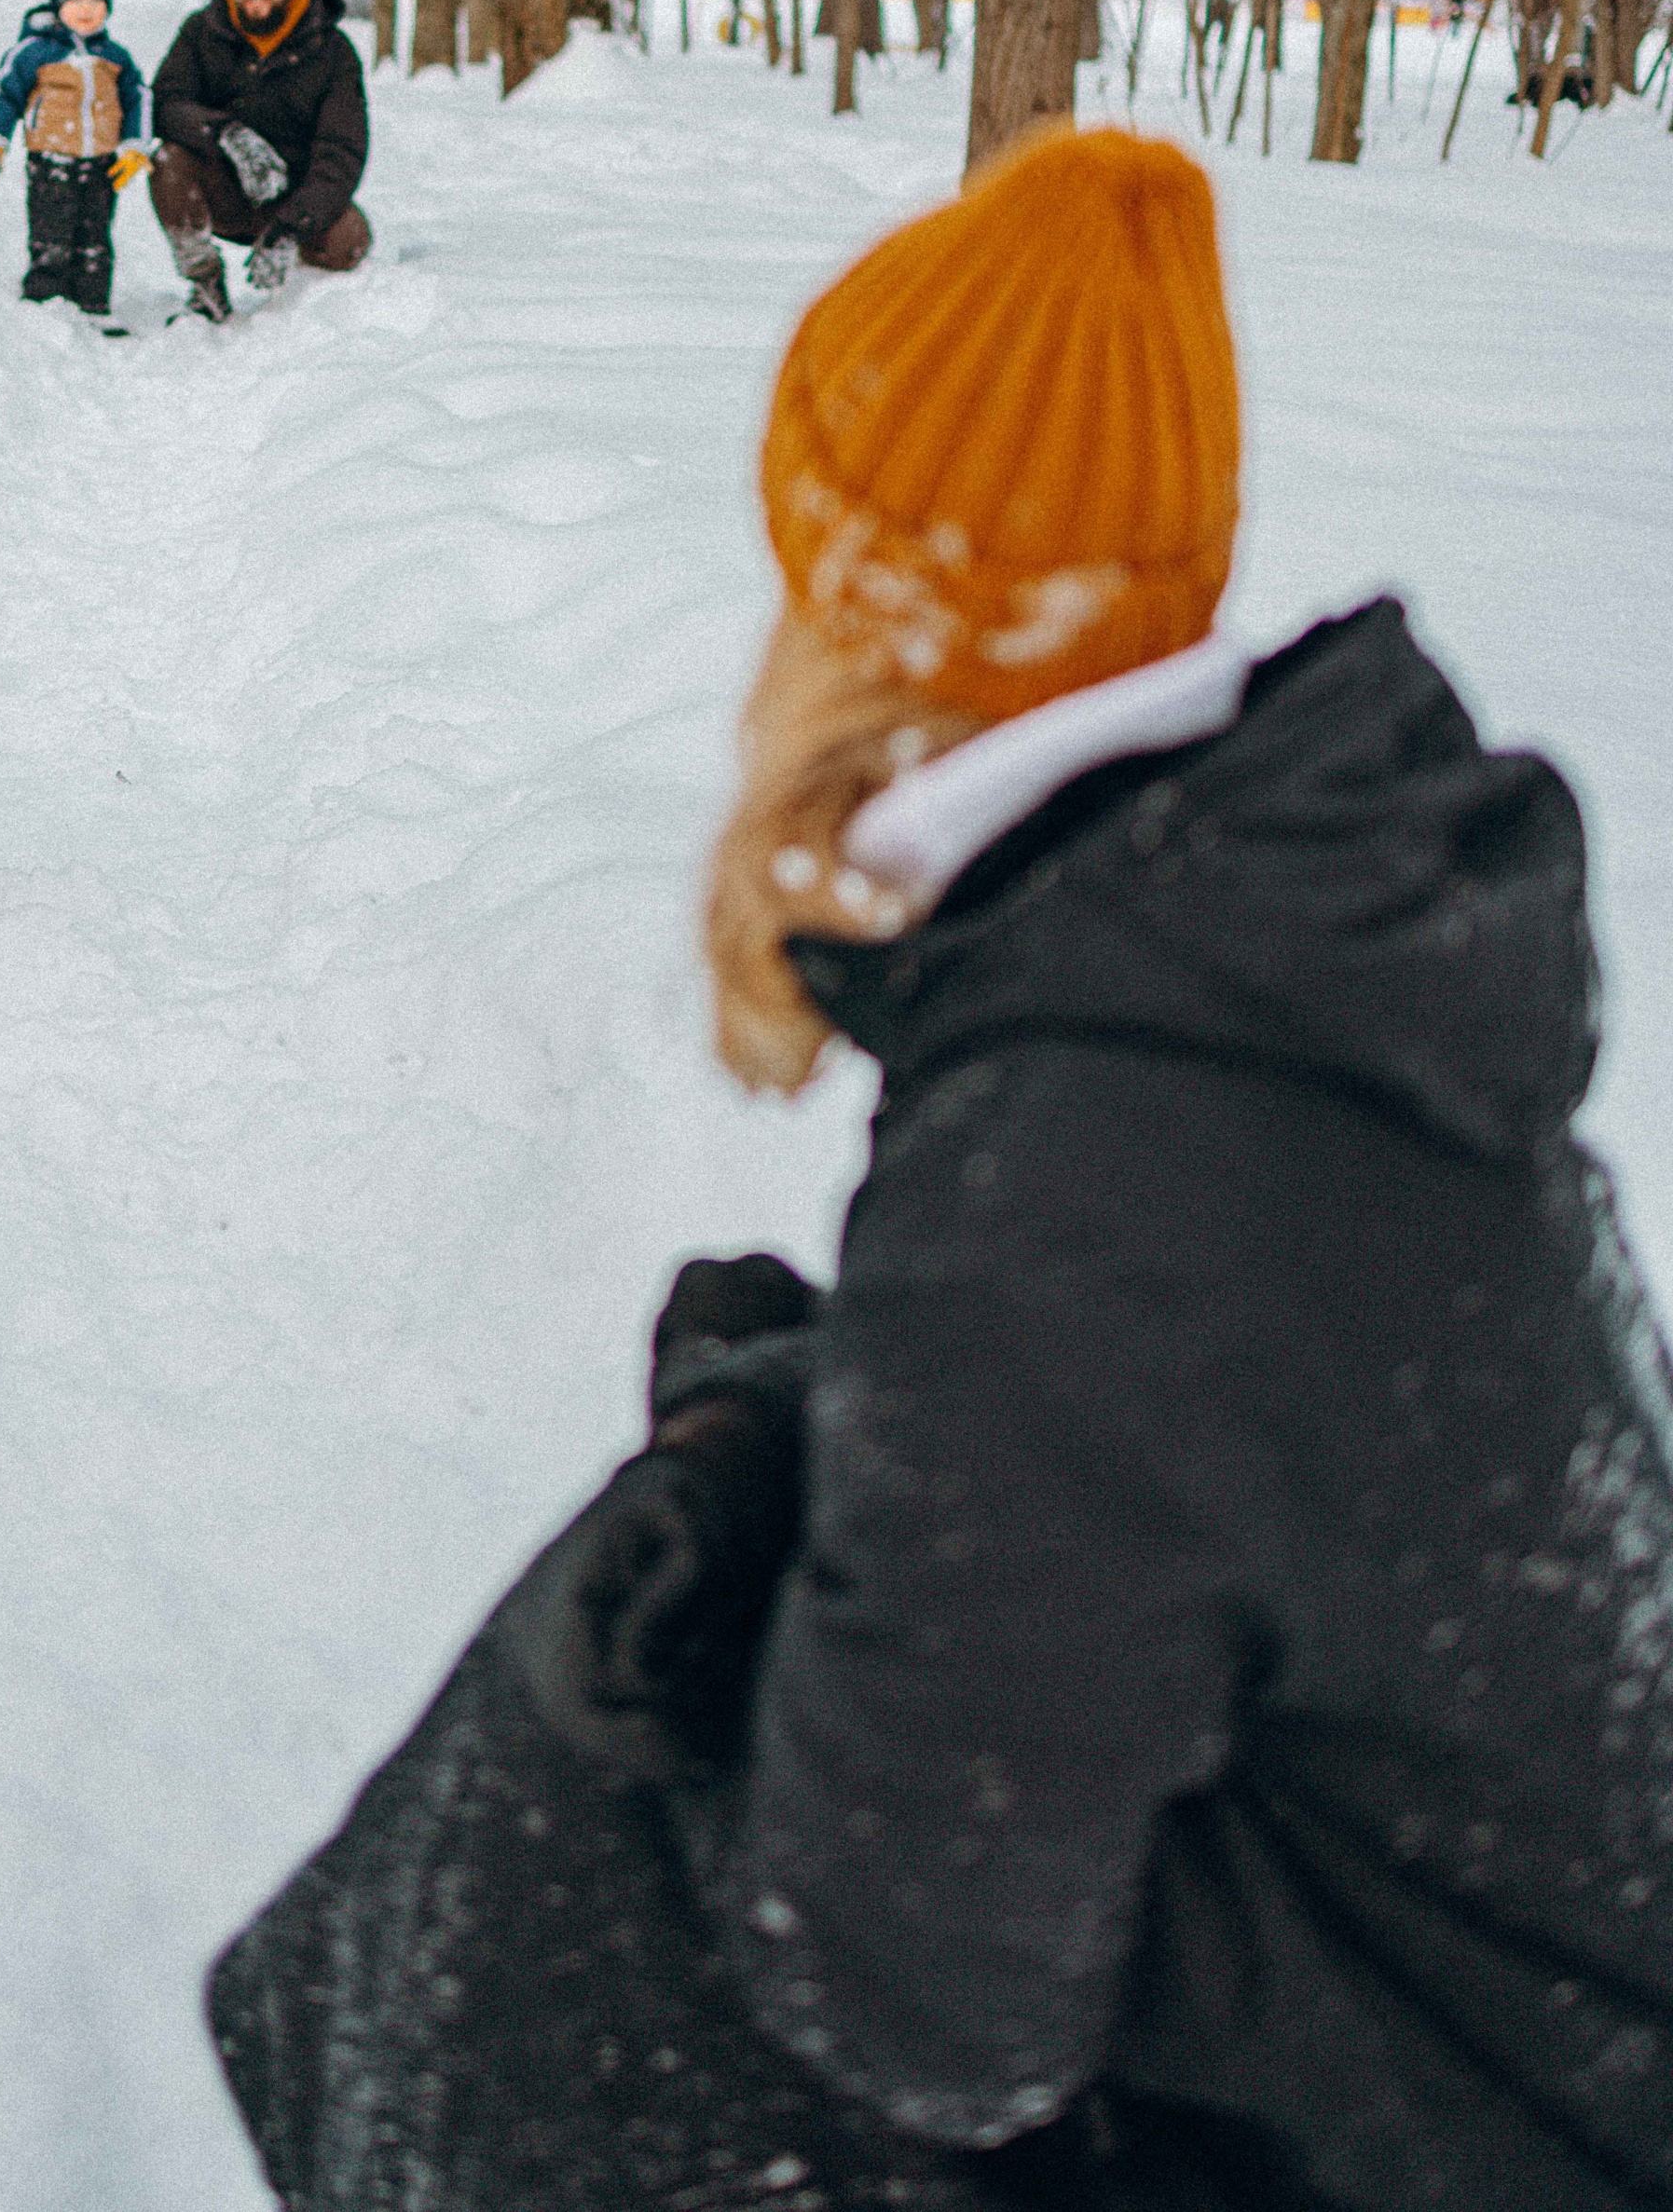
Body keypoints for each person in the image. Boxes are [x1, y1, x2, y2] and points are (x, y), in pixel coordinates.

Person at [210, 126, 1673, 2212]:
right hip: (1523, 2059)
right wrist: (839, 1415)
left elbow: (915, 1999)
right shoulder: (1253, 941)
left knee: (564, 1848)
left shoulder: (1090, 1146)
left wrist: (761, 1581)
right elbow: (1218, 1436)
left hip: (1457, 2144)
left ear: (866, 592)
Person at [150, 0, 370, 322]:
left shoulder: (333, 51)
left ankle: (303, 310)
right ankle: (205, 287)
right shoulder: (201, 32)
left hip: (295, 196)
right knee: (169, 161)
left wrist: (292, 226)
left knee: (349, 238)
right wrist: (227, 135)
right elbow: (165, 104)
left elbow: (342, 151)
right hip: (226, 191)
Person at [0, 0, 146, 331]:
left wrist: (134, 146)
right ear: (59, 4)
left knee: (95, 237)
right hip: (49, 162)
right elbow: (4, 95)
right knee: (51, 231)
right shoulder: (34, 51)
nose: (87, 12)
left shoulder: (115, 57)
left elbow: (139, 98)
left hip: (102, 165)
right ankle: (43, 299)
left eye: (96, 4)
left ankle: (93, 303)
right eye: (77, 3)